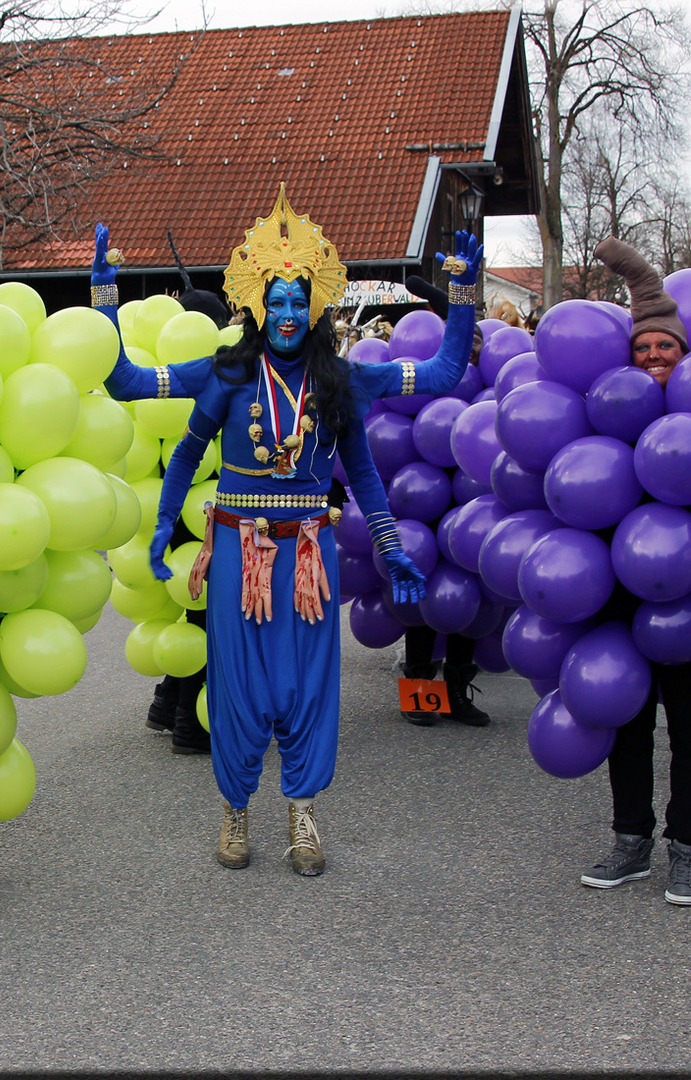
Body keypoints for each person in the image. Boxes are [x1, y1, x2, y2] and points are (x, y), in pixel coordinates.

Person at [98, 184, 480, 876]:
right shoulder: (228, 372)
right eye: (275, 302)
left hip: (308, 553)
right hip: (237, 552)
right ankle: (235, 809)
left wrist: (464, 291)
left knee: (306, 685)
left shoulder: (347, 380)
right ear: (255, 307)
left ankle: (303, 814)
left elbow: (441, 378)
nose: (287, 314)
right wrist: (103, 297)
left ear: (315, 309)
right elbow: (128, 386)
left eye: (298, 302)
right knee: (240, 685)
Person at [580, 238, 691, 905]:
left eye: (666, 347)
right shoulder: (610, 415)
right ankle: (630, 841)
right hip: (620, 595)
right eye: (643, 348)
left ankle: (687, 848)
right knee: (626, 723)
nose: (654, 356)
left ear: (686, 355)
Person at [143, 232, 230, 754]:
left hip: (170, 512)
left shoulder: (168, 375)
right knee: (207, 620)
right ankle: (190, 725)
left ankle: (165, 703)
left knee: (188, 611)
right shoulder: (212, 378)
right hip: (206, 514)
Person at [397, 274, 489, 727]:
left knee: (470, 593)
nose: (469, 347)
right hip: (423, 498)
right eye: (462, 337)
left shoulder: (488, 375)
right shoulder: (430, 371)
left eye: (475, 338)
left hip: (472, 500)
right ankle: (418, 691)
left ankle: (456, 690)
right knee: (421, 593)